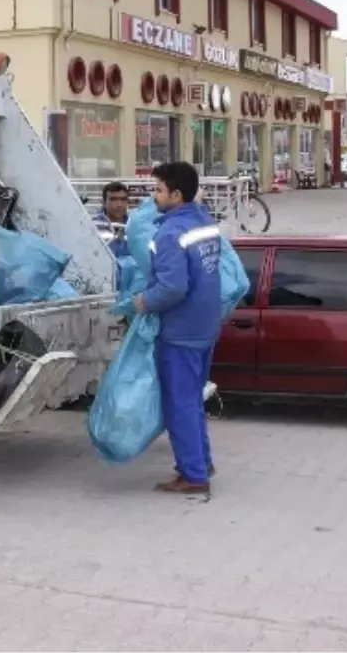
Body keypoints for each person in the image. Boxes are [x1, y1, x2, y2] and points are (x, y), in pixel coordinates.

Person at [133, 161, 222, 495]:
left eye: (158, 190)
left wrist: (144, 302)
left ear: (177, 194)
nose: (154, 196)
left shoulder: (169, 233)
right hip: (206, 325)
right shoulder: (205, 223)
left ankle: (194, 476)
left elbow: (172, 287)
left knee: (180, 403)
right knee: (193, 400)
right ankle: (202, 461)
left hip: (181, 330)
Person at [92, 181, 130, 258]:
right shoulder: (93, 225)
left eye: (123, 199)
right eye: (113, 199)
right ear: (103, 202)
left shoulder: (134, 225)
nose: (119, 204)